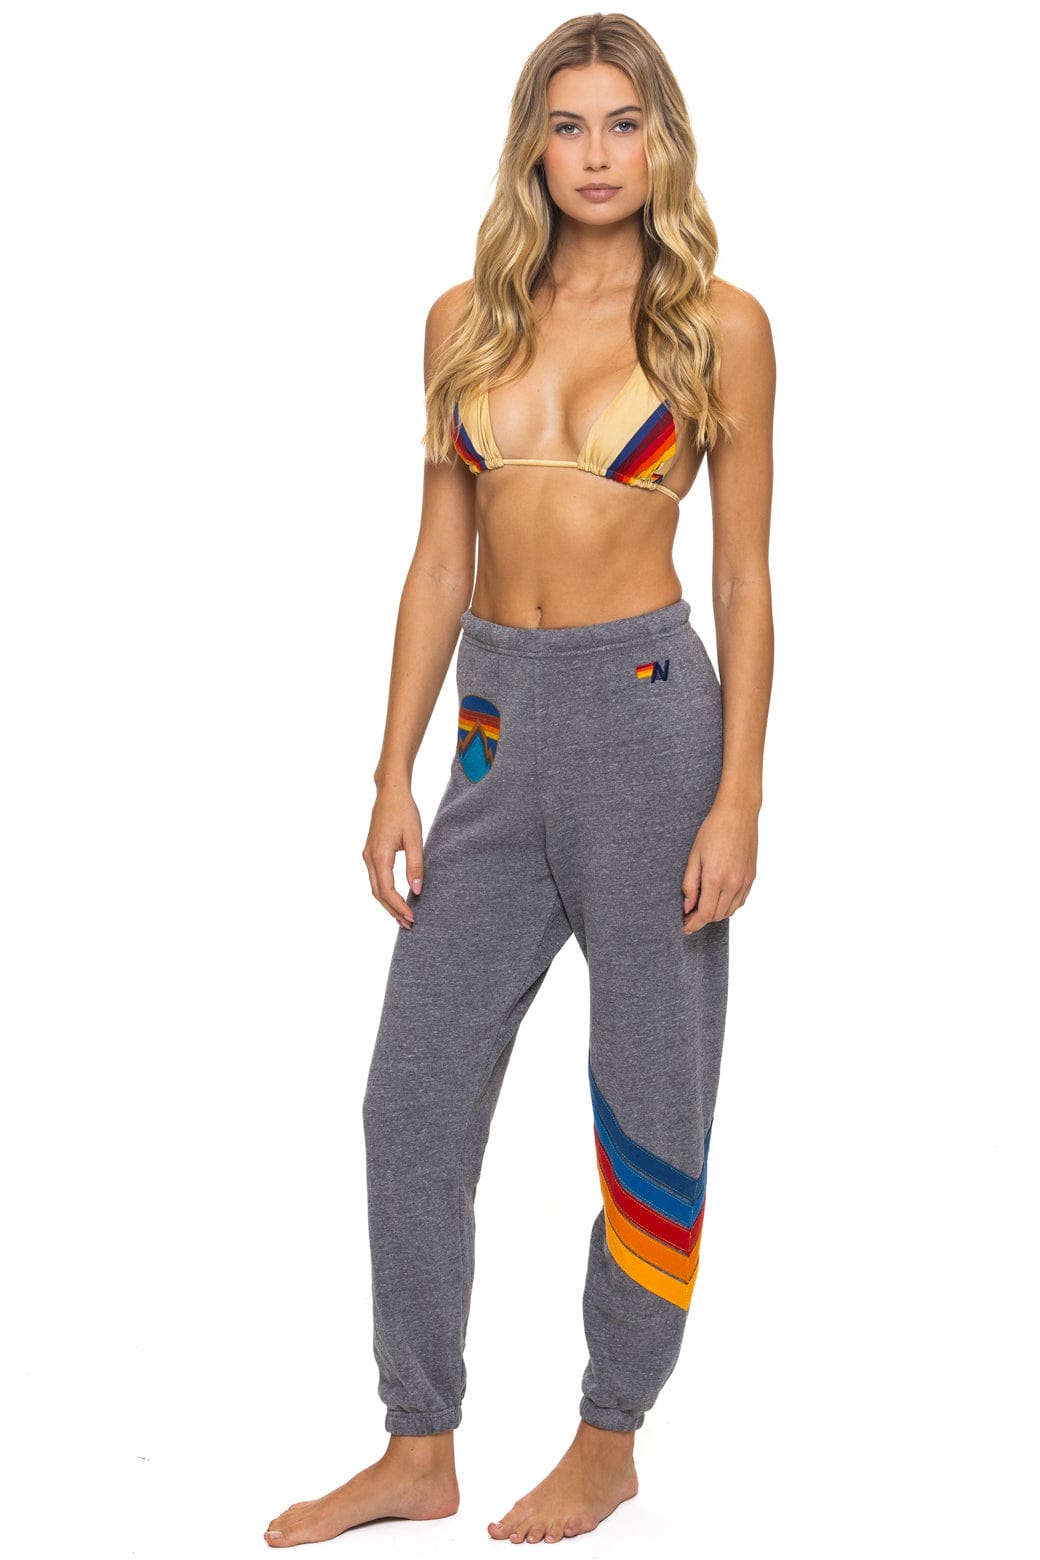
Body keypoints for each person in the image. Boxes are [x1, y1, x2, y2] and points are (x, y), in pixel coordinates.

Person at [264, 9, 774, 1549]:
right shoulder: (464, 322)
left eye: (624, 124)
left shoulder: (721, 325)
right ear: (531, 146)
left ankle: (611, 1437)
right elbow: (438, 561)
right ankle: (418, 1443)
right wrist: (391, 774)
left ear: (661, 142)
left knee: (650, 1105)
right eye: (569, 125)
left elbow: (744, 578)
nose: (597, 155)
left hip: (648, 722)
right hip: (492, 727)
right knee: (409, 1101)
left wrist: (740, 795)